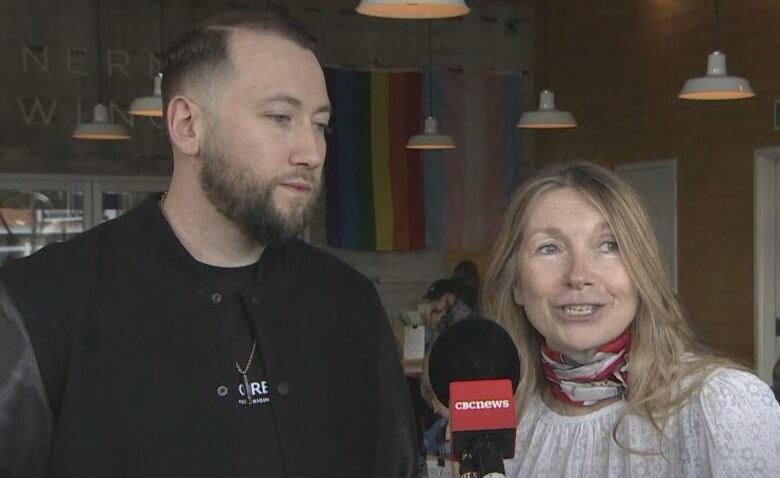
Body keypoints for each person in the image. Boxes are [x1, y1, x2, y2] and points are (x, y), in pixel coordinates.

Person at [0, 11, 416, 478]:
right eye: (280, 117)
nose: (313, 152)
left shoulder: (351, 305)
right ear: (187, 125)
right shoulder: (41, 305)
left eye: (320, 125)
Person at [482, 161, 780, 477]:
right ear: (516, 283)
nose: (579, 275)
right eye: (549, 248)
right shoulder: (507, 422)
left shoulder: (722, 406)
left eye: (609, 246)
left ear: (641, 271)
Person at [422, 278, 476, 351]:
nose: (434, 305)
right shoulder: (443, 312)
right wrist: (429, 324)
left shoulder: (463, 315)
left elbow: (444, 347)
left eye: (438, 300)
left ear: (451, 297)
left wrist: (434, 327)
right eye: (432, 301)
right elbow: (425, 344)